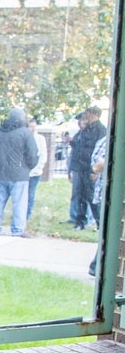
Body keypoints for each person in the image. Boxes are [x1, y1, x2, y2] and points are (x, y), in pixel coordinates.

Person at [0, 108, 38, 237]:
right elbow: (32, 154)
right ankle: (17, 230)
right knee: (19, 203)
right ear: (22, 118)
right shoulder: (25, 133)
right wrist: (27, 168)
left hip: (0, 173)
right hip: (19, 175)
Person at [69, 106, 107, 229]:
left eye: (86, 113)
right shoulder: (84, 129)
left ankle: (99, 222)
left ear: (92, 114)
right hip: (79, 167)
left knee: (91, 196)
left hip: (90, 168)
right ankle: (80, 221)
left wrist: (95, 169)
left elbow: (98, 152)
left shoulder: (101, 130)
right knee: (79, 195)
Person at [89, 134, 108, 277]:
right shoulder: (108, 140)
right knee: (109, 234)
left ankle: (97, 267)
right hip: (106, 197)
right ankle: (96, 267)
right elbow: (97, 166)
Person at [26, 117, 47, 221]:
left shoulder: (40, 139)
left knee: (30, 193)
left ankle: (27, 213)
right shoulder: (24, 137)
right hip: (24, 172)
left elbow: (43, 154)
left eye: (34, 127)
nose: (32, 129)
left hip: (35, 172)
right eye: (30, 127)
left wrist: (39, 167)